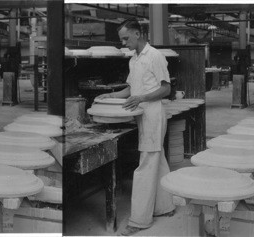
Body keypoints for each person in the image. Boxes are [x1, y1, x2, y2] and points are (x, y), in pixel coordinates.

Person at [96, 18, 175, 236]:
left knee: (145, 166)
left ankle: (140, 220)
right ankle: (165, 206)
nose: (124, 43)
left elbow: (166, 89)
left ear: (138, 34)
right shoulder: (135, 59)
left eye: (126, 38)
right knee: (157, 160)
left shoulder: (154, 56)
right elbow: (131, 89)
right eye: (121, 40)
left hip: (154, 115)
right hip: (143, 114)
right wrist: (110, 95)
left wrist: (141, 98)